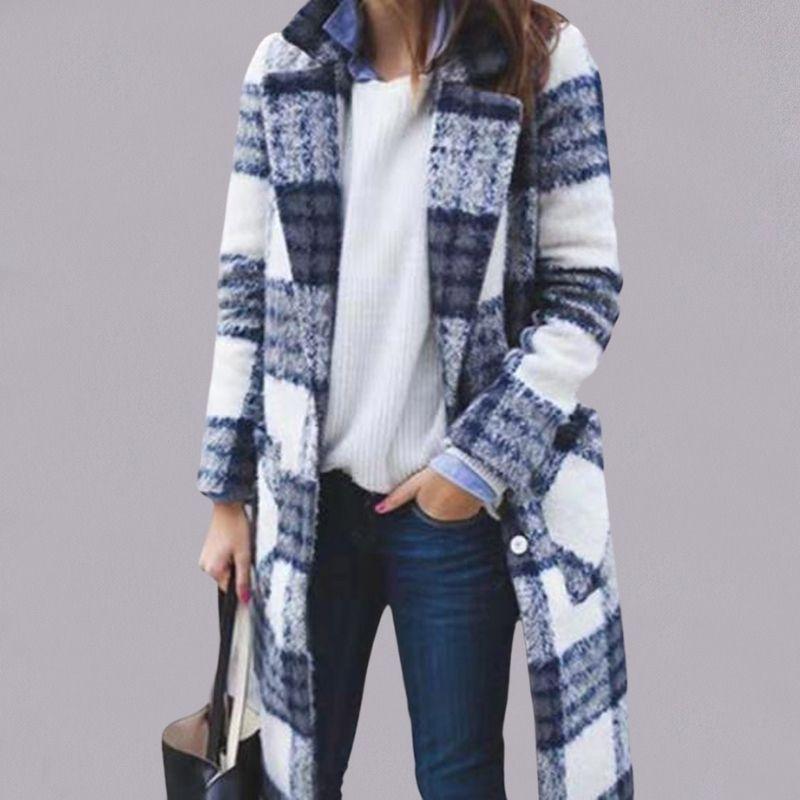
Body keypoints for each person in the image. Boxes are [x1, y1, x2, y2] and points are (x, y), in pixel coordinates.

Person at [197, 0, 633, 797]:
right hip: (310, 509)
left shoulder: (537, 59)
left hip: (450, 511)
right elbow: (245, 294)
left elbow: (584, 290)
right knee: (292, 780)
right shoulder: (287, 68)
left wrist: (471, 470)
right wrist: (227, 495)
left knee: (458, 780)